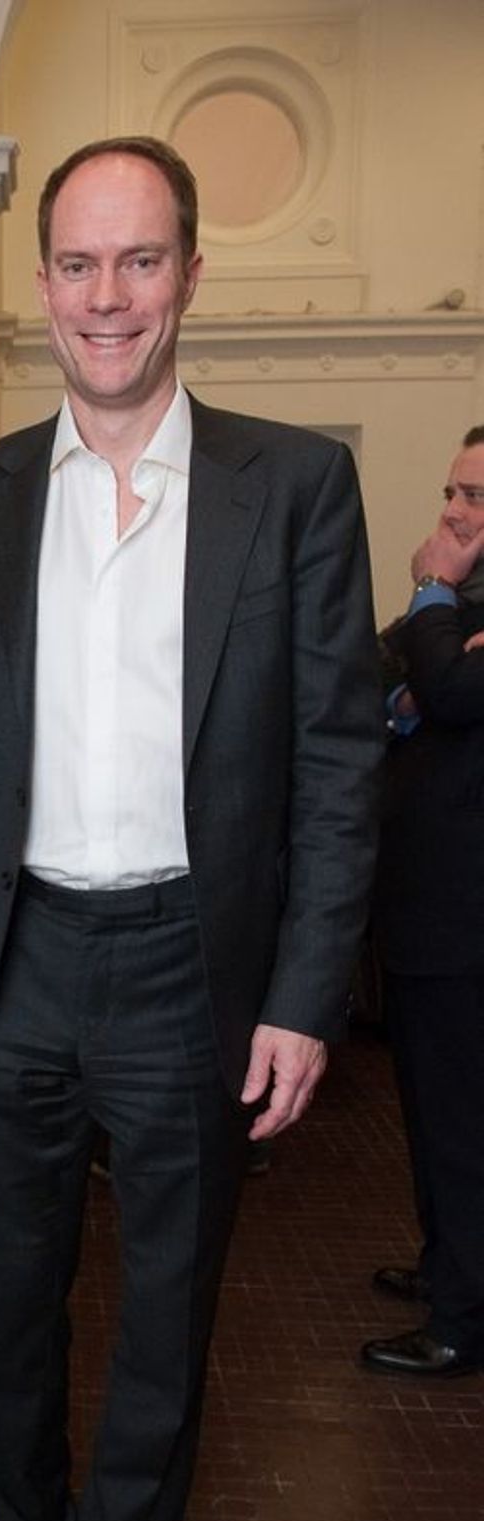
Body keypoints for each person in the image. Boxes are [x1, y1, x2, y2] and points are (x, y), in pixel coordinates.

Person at [0, 138, 382, 1521]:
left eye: (141, 259)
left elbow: (333, 757)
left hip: (196, 962)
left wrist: (306, 996)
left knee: (174, 1287)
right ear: (40, 282)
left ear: (189, 274)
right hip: (21, 959)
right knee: (4, 1284)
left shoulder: (295, 482)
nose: (107, 296)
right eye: (78, 263)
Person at [363, 428, 484, 1377]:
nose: (452, 510)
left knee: (460, 1123)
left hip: (466, 926)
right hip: (425, 918)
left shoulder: (456, 603)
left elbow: (442, 688)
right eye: (451, 489)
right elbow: (379, 672)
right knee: (434, 1113)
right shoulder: (459, 609)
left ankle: (463, 1316)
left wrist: (435, 591)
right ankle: (451, 1267)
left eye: (475, 497)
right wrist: (435, 614)